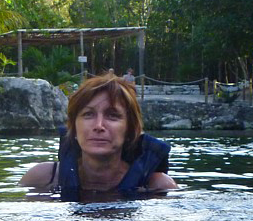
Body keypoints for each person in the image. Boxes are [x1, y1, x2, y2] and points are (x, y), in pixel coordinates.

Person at [19, 73, 177, 199]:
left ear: (130, 130)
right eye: (88, 114)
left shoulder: (158, 186)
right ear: (74, 127)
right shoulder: (41, 179)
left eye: (112, 116)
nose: (99, 125)